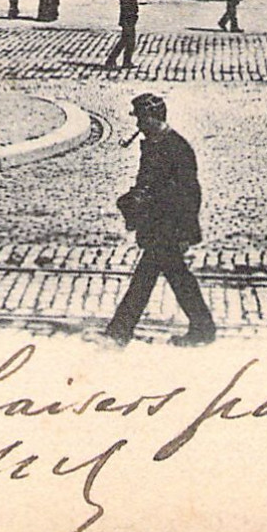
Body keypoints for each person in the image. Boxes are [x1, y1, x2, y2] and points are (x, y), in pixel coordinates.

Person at [105, 94, 216, 347]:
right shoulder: (154, 143)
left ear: (153, 119)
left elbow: (190, 194)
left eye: (142, 120)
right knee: (170, 276)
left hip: (170, 226)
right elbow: (147, 182)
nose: (138, 126)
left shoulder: (177, 148)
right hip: (157, 225)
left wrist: (185, 233)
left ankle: (121, 329)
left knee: (152, 277)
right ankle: (201, 326)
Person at [105, 0, 138, 69]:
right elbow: (129, 5)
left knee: (129, 42)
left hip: (130, 20)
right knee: (125, 41)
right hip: (127, 20)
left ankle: (126, 61)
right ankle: (111, 60)